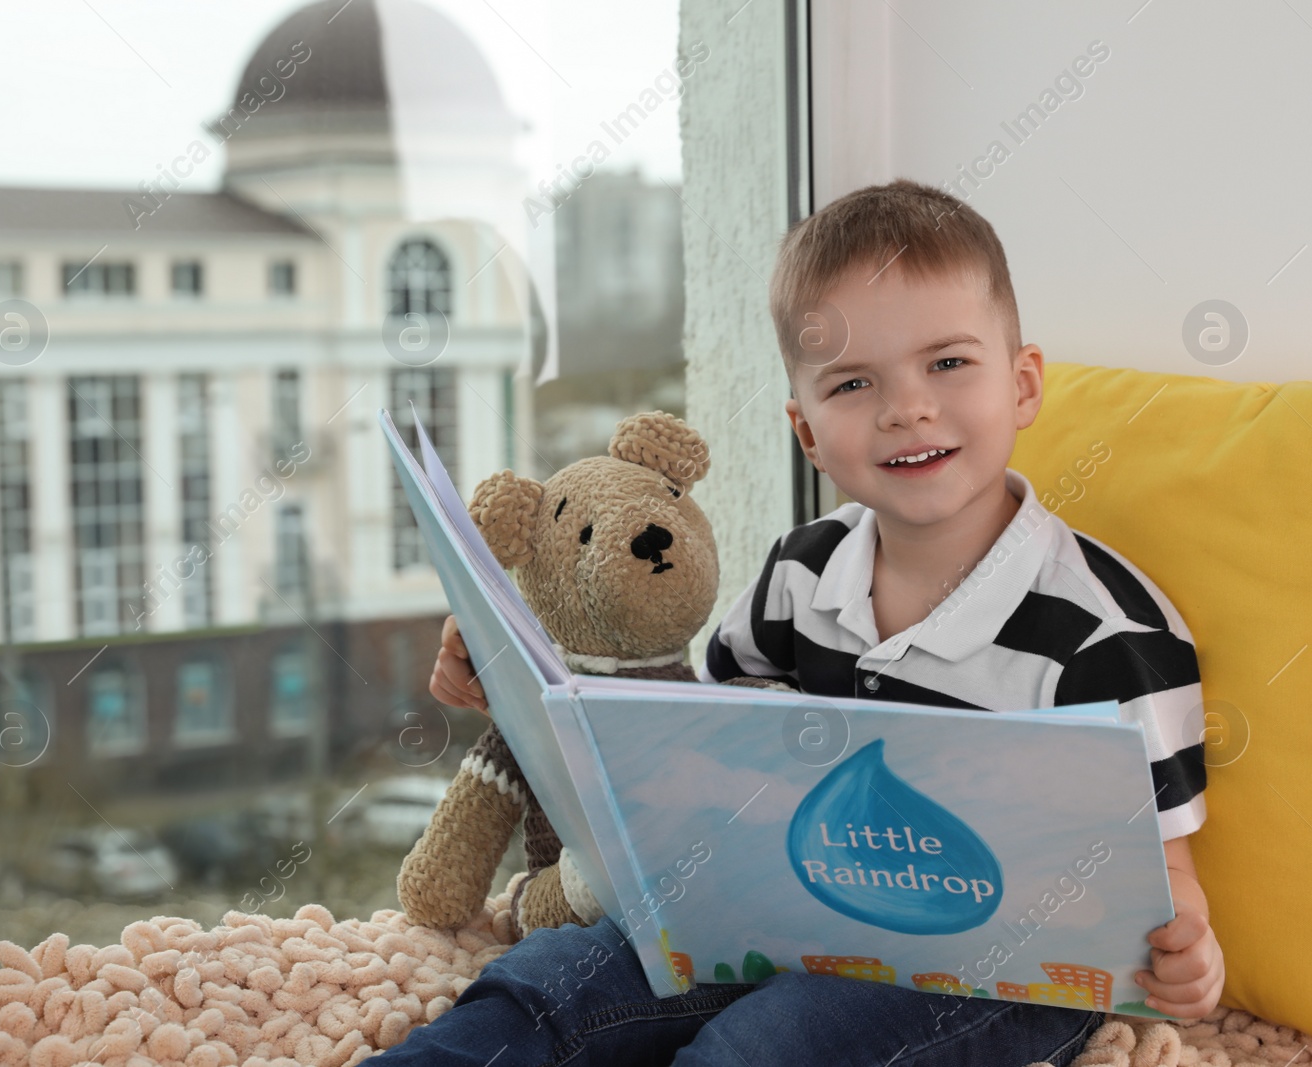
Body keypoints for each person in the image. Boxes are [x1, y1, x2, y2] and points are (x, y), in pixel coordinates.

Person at [392, 178, 1225, 1066]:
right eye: (854, 382)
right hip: (774, 910)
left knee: (763, 1048)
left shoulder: (1111, 637)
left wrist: (1191, 960)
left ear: (1022, 385)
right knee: (551, 976)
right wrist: (510, 681)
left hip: (988, 973)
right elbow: (689, 740)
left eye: (947, 363)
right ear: (809, 432)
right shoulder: (801, 570)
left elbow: (1163, 885)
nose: (907, 407)